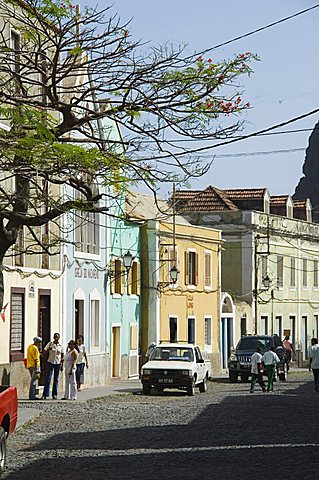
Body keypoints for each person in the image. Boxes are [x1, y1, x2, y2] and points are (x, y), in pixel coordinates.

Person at [42, 333, 64, 400]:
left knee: (56, 379)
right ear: (53, 337)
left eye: (57, 337)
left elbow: (62, 356)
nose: (56, 338)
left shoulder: (61, 346)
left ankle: (54, 394)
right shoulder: (50, 344)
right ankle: (45, 394)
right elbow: (44, 352)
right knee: (48, 379)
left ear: (59, 338)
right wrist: (49, 349)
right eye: (55, 337)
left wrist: (62, 365)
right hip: (50, 362)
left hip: (57, 363)